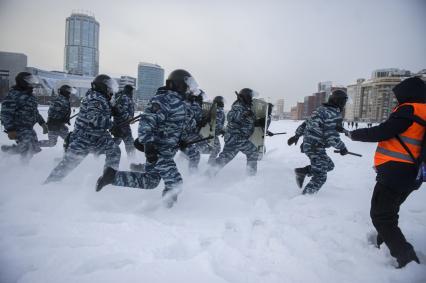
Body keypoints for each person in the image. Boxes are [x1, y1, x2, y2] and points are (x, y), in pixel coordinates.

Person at [347, 77, 425, 268]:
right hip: (413, 174)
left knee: (381, 215)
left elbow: (384, 131)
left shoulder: (410, 109)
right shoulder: (423, 110)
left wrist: (354, 134)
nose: (397, 100)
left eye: (398, 96)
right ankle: (383, 243)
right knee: (389, 212)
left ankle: (407, 259)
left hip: (396, 172)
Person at [95, 69, 198, 208]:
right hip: (158, 149)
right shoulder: (164, 99)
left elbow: (179, 126)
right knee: (175, 182)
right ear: (180, 84)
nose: (189, 89)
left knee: (150, 181)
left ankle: (112, 177)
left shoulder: (181, 103)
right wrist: (149, 145)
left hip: (167, 150)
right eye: (187, 84)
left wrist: (183, 141)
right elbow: (146, 123)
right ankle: (166, 211)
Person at [44, 74, 121, 183]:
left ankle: (108, 178)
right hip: (84, 138)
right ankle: (48, 184)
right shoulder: (96, 98)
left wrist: (111, 110)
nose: (111, 89)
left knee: (114, 150)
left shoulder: (100, 98)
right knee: (67, 166)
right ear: (102, 86)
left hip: (98, 136)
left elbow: (100, 113)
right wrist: (112, 125)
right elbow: (95, 119)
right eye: (109, 86)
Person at [288, 90, 349, 194]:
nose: (344, 104)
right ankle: (304, 199)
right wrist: (342, 147)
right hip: (315, 147)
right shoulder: (333, 113)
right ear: (339, 101)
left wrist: (297, 135)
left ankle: (302, 172)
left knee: (329, 165)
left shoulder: (320, 109)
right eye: (344, 101)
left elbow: (306, 123)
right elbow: (331, 136)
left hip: (310, 145)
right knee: (320, 176)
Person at [207, 88, 262, 176]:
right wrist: (243, 114)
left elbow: (249, 121)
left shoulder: (245, 107)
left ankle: (208, 174)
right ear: (246, 97)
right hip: (236, 137)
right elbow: (230, 117)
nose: (251, 99)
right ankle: (251, 176)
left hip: (234, 138)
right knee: (253, 152)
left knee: (225, 158)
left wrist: (256, 121)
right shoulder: (238, 106)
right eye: (250, 97)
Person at [1, 72, 48, 161]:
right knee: (27, 147)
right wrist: (10, 129)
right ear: (22, 81)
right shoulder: (14, 94)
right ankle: (23, 168)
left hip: (28, 128)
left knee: (33, 147)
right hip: (18, 127)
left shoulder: (31, 96)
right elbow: (5, 113)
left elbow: (35, 112)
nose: (32, 82)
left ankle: (9, 150)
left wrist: (42, 123)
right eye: (29, 80)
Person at [110, 84, 135, 156]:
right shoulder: (124, 97)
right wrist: (129, 118)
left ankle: (107, 152)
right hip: (122, 124)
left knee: (118, 139)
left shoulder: (123, 97)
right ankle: (132, 160)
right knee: (129, 142)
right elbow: (122, 111)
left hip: (122, 124)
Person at [208, 96, 226, 163]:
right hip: (211, 133)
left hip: (208, 132)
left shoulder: (213, 108)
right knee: (216, 148)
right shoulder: (219, 110)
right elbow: (217, 123)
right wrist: (223, 130)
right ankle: (210, 164)